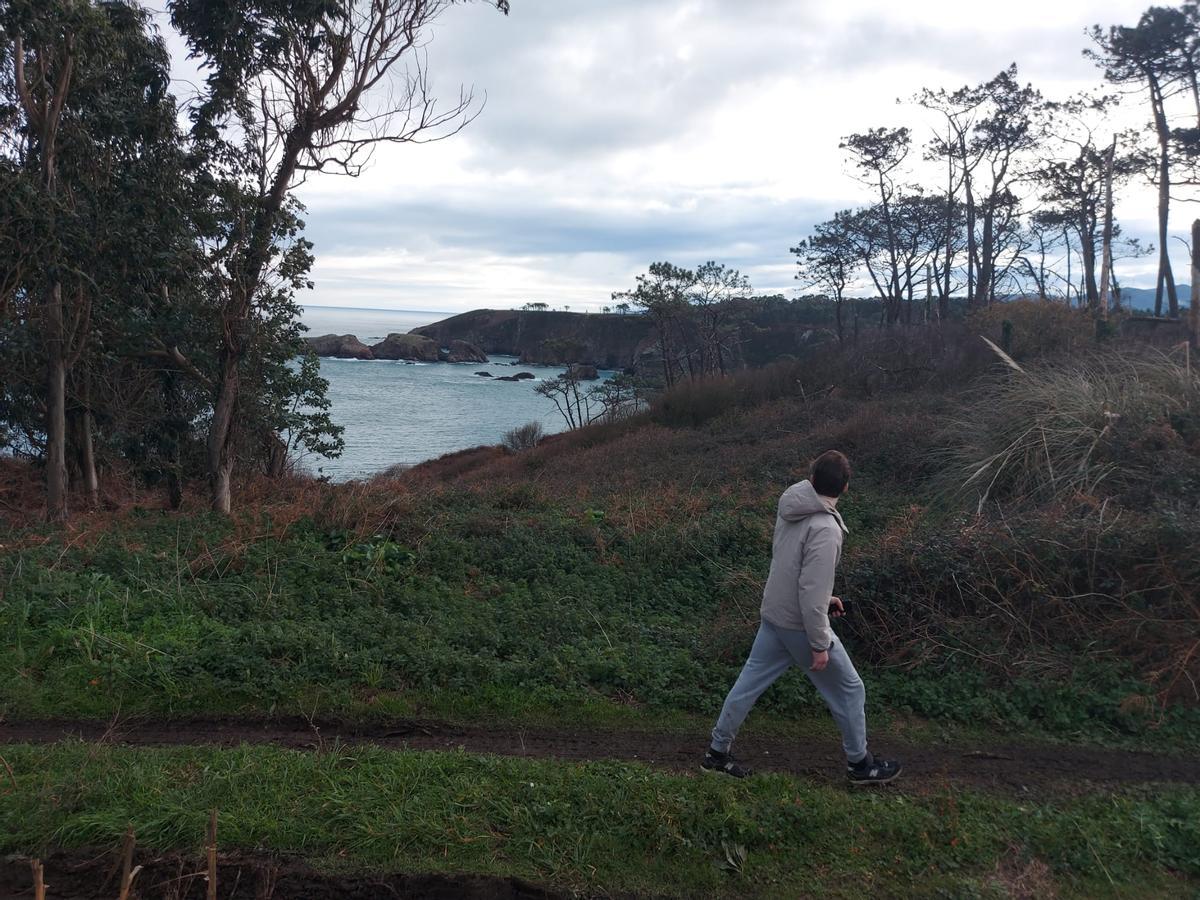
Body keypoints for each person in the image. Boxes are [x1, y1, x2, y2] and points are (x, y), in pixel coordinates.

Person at [701, 449, 901, 785]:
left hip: (775, 615)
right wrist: (820, 643)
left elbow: (800, 575)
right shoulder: (825, 528)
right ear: (846, 487)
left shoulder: (790, 505)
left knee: (748, 684)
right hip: (799, 624)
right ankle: (860, 765)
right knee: (850, 689)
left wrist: (826, 599)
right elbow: (810, 592)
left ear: (810, 479)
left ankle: (716, 754)